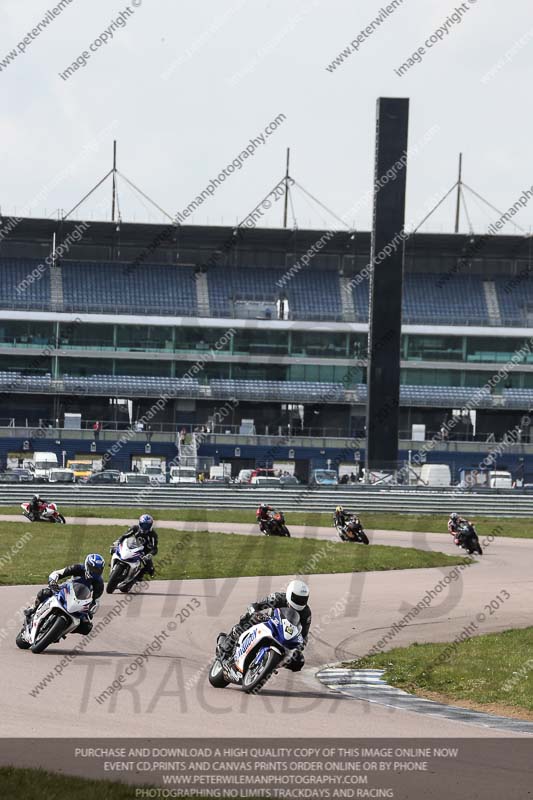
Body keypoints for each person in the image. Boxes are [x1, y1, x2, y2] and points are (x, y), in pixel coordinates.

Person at [218, 579, 311, 671]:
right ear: (289, 593)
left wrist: (299, 647)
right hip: (268, 623)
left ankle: (270, 664)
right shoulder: (278, 598)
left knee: (299, 661)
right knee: (247, 620)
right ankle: (226, 647)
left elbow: (304, 635)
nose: (300, 601)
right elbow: (255, 605)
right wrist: (254, 612)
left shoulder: (306, 613)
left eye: (303, 599)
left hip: (285, 637)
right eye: (297, 598)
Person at [24, 554, 105, 634]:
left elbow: (96, 601)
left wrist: (90, 611)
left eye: (98, 570)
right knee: (45, 593)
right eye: (94, 569)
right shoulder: (78, 568)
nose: (95, 572)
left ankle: (60, 631)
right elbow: (58, 573)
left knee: (87, 627)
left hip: (79, 603)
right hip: (65, 590)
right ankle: (32, 609)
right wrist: (53, 581)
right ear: (87, 565)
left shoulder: (99, 583)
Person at [114, 514, 158, 578]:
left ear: (151, 525)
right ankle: (114, 565)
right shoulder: (135, 528)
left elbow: (155, 549)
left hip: (145, 552)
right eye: (143, 525)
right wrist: (118, 541)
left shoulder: (153, 535)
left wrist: (149, 555)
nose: (145, 527)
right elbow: (124, 536)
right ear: (140, 523)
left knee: (150, 569)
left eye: (147, 525)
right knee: (114, 549)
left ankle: (137, 577)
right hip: (134, 547)